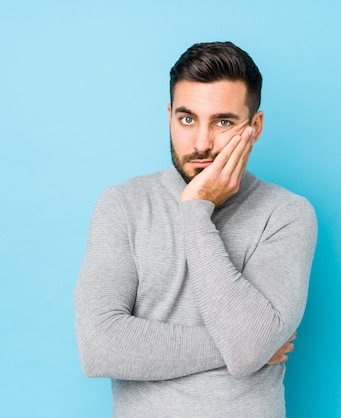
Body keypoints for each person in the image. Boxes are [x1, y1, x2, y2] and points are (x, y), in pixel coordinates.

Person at [74, 41, 317, 417]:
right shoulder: (122, 204)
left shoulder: (286, 213)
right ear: (169, 116)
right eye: (187, 119)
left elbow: (250, 345)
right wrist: (243, 347)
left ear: (255, 127)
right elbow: (99, 345)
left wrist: (194, 211)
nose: (202, 143)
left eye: (223, 122)